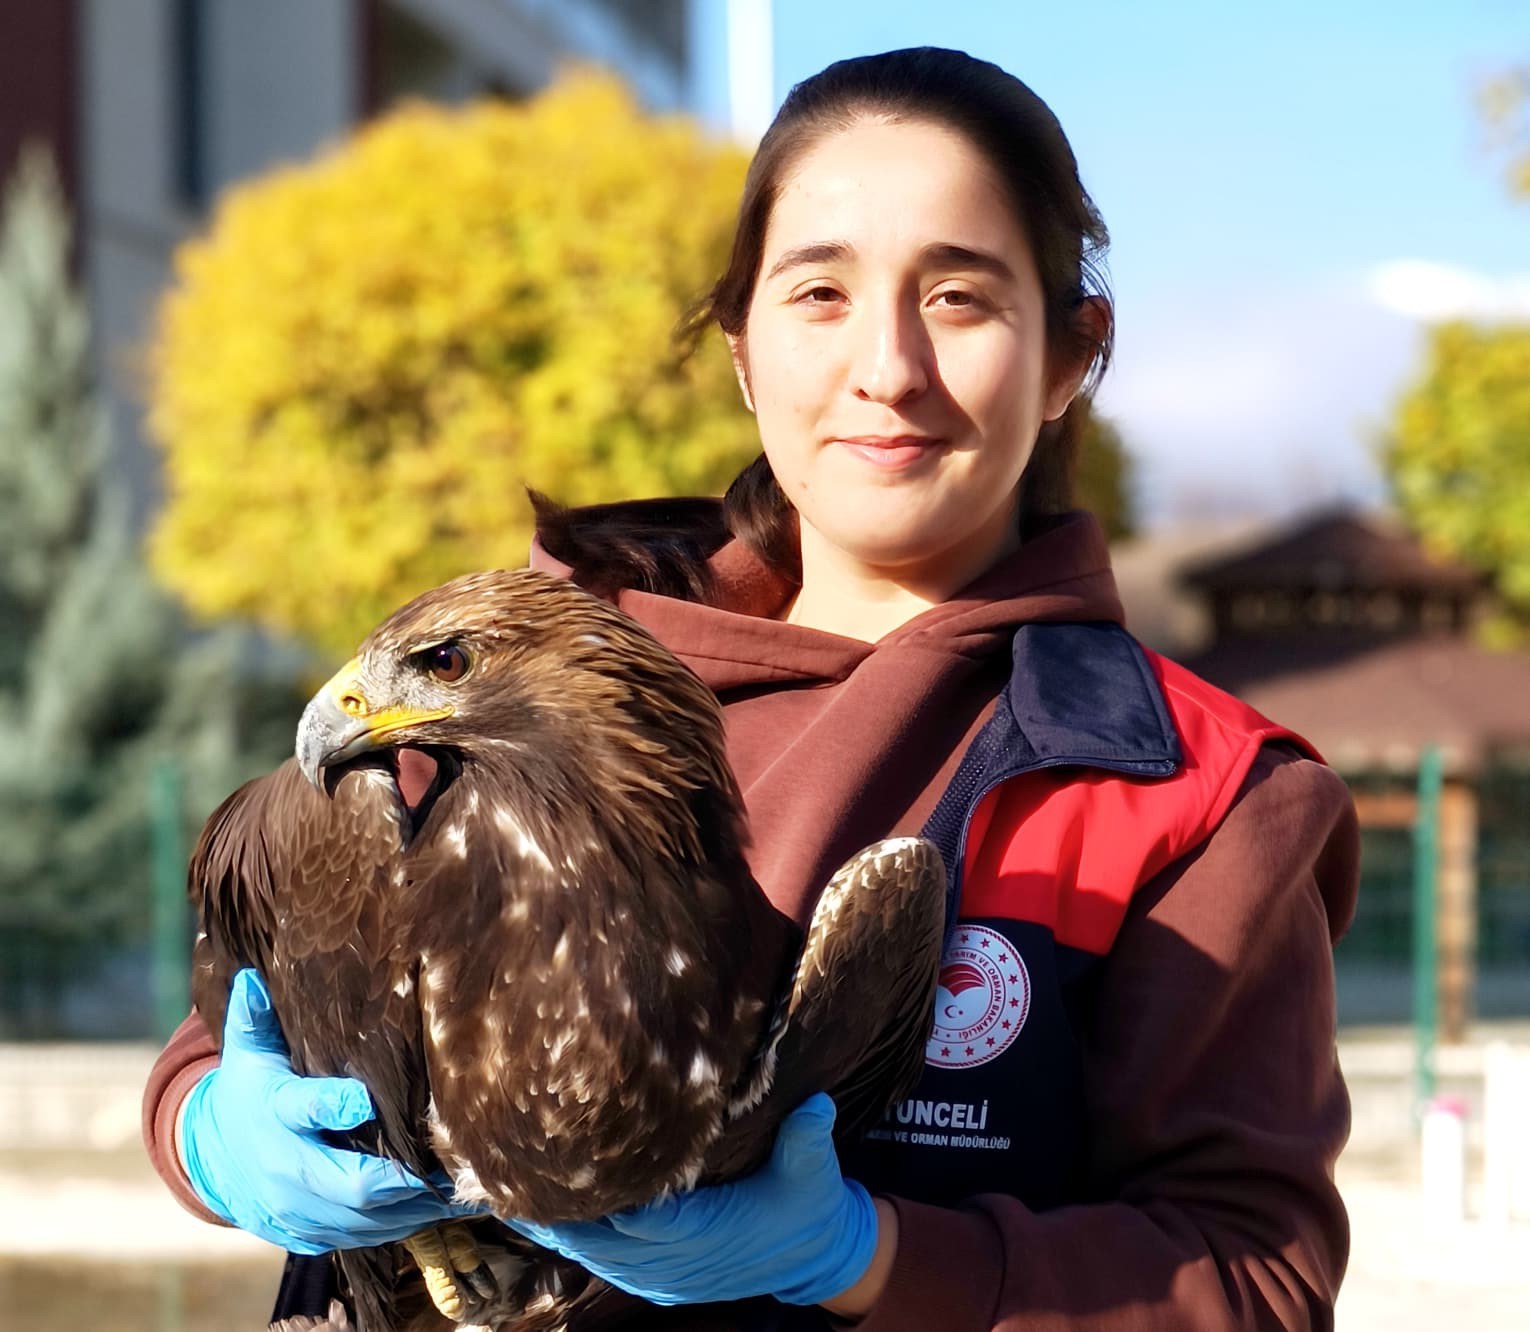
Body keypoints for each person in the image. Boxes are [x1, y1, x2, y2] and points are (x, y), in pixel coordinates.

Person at [143, 46, 1359, 1330]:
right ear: (743, 349)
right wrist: (220, 1139)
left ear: (1070, 356)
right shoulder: (490, 675)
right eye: (820, 293)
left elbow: (1256, 1283)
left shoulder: (1194, 790)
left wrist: (872, 1256)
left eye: (958, 298)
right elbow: (227, 1045)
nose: (886, 366)